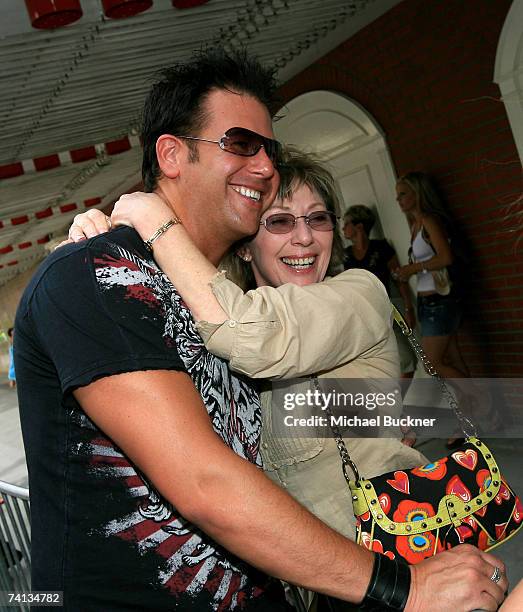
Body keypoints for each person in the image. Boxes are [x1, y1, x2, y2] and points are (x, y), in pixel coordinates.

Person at [16, 49, 508, 612]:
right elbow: (209, 482)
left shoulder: (314, 301)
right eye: (240, 144)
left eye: (318, 218)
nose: (264, 166)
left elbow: (265, 347)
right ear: (172, 154)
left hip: (349, 571)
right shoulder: (103, 276)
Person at [68, 150, 430, 611]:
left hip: (393, 563)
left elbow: (252, 333)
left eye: (318, 219)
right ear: (245, 243)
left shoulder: (357, 292)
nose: (304, 238)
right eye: (280, 222)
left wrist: (149, 213)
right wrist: (95, 242)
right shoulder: (221, 313)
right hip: (314, 584)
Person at [393, 172, 472, 447]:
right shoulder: (415, 224)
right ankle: (469, 421)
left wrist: (412, 268)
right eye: (397, 195)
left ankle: (479, 404)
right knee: (452, 362)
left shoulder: (428, 220)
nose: (398, 200)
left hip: (440, 302)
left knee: (433, 362)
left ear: (417, 192)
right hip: (428, 302)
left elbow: (445, 257)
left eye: (403, 193)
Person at [342, 206, 417, 381]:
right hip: (363, 315)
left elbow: (399, 278)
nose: (343, 228)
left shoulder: (381, 247)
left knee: (407, 360)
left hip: (388, 310)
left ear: (359, 226)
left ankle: (395, 403)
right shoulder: (347, 256)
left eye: (346, 224)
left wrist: (408, 308)